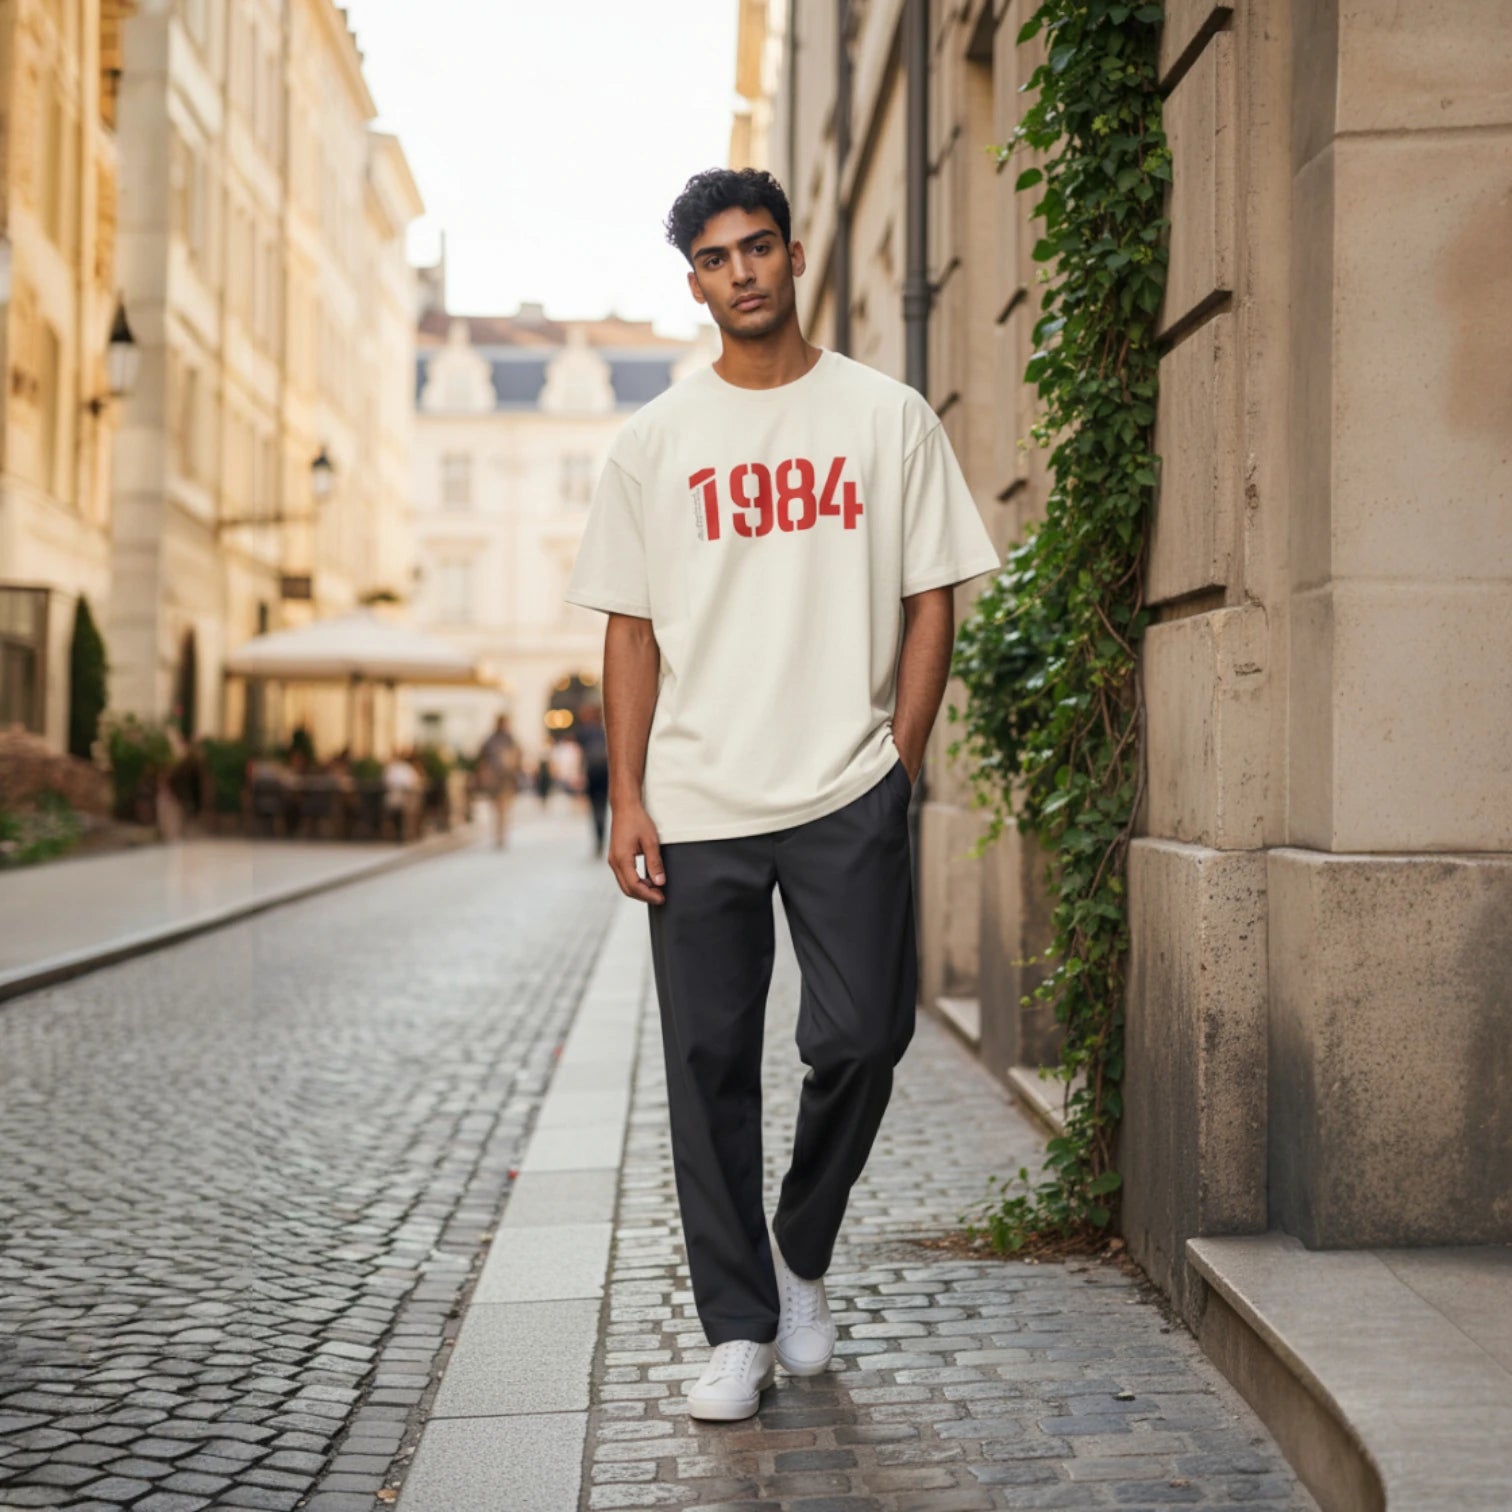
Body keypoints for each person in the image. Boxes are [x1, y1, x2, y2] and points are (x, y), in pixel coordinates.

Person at [562, 168, 1000, 1422]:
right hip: (696, 799)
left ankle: (801, 1250)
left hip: (844, 787)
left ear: (795, 256)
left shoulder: (886, 414)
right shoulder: (653, 443)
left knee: (863, 1036)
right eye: (715, 257)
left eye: (758, 248)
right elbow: (632, 633)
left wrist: (900, 761)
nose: (741, 271)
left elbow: (932, 598)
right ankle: (739, 1327)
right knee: (706, 1064)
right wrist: (626, 796)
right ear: (692, 282)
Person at [474, 714, 522, 848]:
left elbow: (518, 758)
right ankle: (498, 832)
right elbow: (482, 758)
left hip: (506, 779)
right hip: (495, 779)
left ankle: (501, 833)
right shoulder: (491, 740)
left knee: (503, 807)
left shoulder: (510, 739)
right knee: (497, 808)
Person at [573, 703, 611, 856]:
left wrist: (579, 774)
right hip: (605, 772)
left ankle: (599, 839)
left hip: (592, 773)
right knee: (602, 806)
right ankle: (601, 836)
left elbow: (580, 756)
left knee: (596, 808)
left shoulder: (583, 732)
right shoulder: (605, 729)